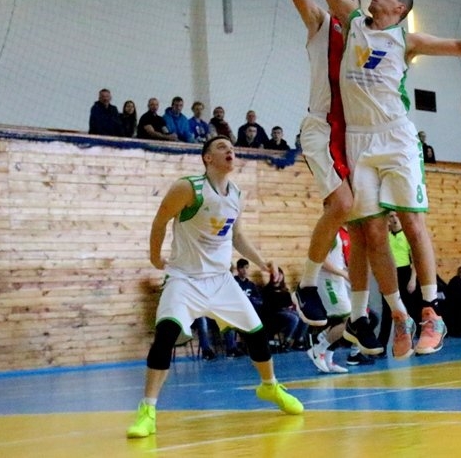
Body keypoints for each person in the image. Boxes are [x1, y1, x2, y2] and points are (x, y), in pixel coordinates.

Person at [290, 0, 461, 360]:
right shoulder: (353, 23)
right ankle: (398, 314)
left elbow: (454, 46)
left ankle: (431, 311)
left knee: (413, 223)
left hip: (395, 137)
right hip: (358, 140)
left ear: (398, 7)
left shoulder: (405, 38)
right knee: (373, 233)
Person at [243, 0, 402, 359]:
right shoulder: (320, 24)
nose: (342, 1)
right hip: (320, 127)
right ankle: (308, 283)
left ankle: (359, 316)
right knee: (344, 205)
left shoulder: (371, 40)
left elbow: (397, 3)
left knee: (366, 227)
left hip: (357, 137)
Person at [125, 136, 303, 440]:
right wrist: (155, 257)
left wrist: (262, 263)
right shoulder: (188, 188)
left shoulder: (236, 194)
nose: (229, 150)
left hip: (221, 280)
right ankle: (147, 410)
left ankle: (270, 387)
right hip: (185, 278)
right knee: (165, 336)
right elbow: (160, 221)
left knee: (257, 333)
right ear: (207, 158)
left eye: (231, 147)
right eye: (221, 147)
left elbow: (237, 236)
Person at [306, 227, 353, 374]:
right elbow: (321, 260)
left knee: (339, 321)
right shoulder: (328, 232)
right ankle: (318, 349)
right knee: (349, 319)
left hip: (337, 281)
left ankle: (328, 359)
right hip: (328, 282)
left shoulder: (340, 233)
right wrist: (343, 273)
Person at [378, 212, 422, 349]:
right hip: (389, 274)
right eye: (391, 216)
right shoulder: (385, 237)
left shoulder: (407, 236)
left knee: (411, 309)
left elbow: (415, 259)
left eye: (396, 216)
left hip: (405, 273)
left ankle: (417, 341)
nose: (394, 219)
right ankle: (381, 346)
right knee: (387, 311)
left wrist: (413, 279)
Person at [261, 268, 308, 351]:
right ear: (272, 276)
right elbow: (270, 305)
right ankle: (286, 342)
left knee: (304, 317)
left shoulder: (284, 290)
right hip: (274, 314)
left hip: (286, 311)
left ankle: (298, 340)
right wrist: (283, 305)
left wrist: (285, 305)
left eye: (280, 274)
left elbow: (289, 303)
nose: (278, 277)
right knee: (294, 318)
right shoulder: (267, 290)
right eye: (276, 274)